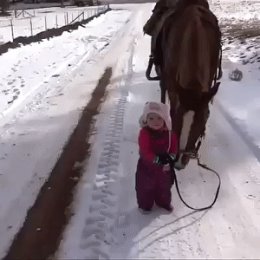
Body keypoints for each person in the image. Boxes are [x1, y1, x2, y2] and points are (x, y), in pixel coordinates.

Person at [135, 101, 178, 214]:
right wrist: (158, 159)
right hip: (147, 167)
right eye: (151, 118)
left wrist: (171, 157)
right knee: (145, 187)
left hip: (164, 168)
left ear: (165, 120)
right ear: (146, 120)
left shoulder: (170, 134)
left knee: (164, 186)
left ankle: (163, 202)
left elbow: (173, 147)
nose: (156, 122)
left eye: (159, 118)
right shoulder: (144, 133)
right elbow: (145, 151)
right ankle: (145, 205)